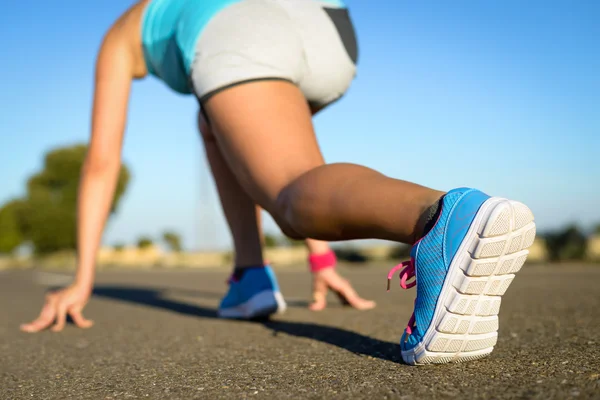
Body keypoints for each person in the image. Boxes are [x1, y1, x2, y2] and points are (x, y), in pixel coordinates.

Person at [20, 0, 537, 365]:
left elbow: (101, 163)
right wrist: (322, 258)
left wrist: (82, 280)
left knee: (290, 192)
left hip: (241, 32)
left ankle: (442, 217)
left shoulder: (122, 34)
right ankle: (250, 277)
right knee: (215, 125)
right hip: (328, 30)